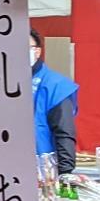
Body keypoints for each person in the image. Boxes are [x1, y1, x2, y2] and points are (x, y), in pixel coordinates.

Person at [30, 28, 80, 172]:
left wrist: (65, 172)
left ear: (37, 52)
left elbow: (64, 132)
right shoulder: (0, 84)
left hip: (43, 171)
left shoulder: (55, 85)